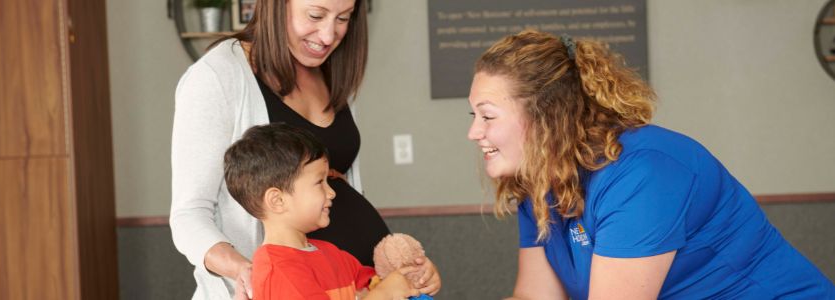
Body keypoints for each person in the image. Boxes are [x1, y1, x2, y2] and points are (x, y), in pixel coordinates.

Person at [466, 29, 834, 299]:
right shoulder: (540, 183)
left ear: (546, 115)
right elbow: (536, 298)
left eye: (488, 116)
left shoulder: (642, 173)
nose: (473, 132)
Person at [171, 0, 440, 298]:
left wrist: (394, 271)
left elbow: (344, 186)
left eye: (343, 18)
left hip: (353, 283)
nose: (328, 35)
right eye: (315, 15)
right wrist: (245, 270)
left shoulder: (330, 73)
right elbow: (189, 214)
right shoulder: (217, 76)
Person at [223, 123, 422, 300]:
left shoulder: (333, 254)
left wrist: (414, 277)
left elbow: (376, 284)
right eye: (319, 182)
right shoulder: (278, 270)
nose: (332, 192)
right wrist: (382, 295)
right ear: (278, 200)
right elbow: (382, 292)